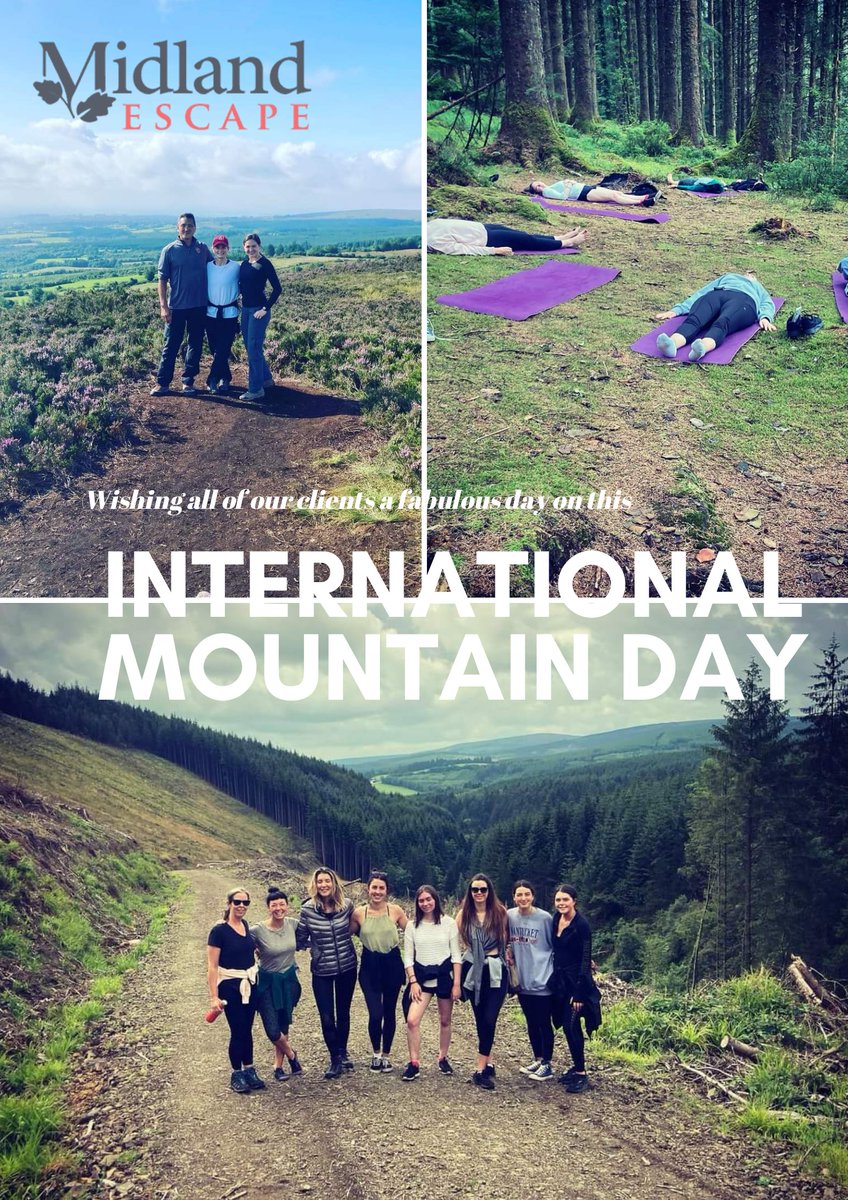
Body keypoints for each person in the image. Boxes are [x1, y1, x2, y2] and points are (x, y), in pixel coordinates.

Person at [295, 867, 357, 1079]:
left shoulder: (347, 905)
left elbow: (357, 927)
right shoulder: (307, 910)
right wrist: (315, 948)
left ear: (334, 883)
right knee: (327, 1016)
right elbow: (299, 939)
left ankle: (342, 1052)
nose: (323, 885)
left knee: (344, 1013)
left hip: (347, 967)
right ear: (315, 885)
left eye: (327, 881)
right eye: (320, 881)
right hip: (322, 970)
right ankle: (334, 1059)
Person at [206, 887, 264, 1094]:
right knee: (238, 1029)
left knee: (247, 1028)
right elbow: (212, 966)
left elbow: (246, 948)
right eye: (237, 902)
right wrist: (214, 997)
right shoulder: (218, 931)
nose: (241, 906)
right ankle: (236, 1073)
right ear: (229, 904)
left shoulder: (245, 925)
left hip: (250, 984)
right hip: (230, 987)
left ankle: (249, 1069)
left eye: (245, 902)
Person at [401, 884, 462, 1080]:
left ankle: (443, 1057)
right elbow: (408, 957)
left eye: (428, 899)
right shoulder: (412, 926)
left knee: (445, 1020)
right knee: (412, 1020)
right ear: (417, 903)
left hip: (444, 977)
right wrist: (413, 981)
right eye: (421, 900)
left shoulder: (449, 923)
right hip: (421, 978)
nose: (425, 903)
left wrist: (457, 984)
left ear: (435, 899)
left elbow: (456, 955)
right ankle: (414, 1062)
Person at [351, 871, 408, 1073]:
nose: (377, 891)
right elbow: (343, 934)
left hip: (392, 964)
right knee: (376, 1013)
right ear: (368, 889)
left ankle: (386, 1056)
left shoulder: (396, 911)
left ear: (387, 890)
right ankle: (375, 1053)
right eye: (374, 887)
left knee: (390, 1011)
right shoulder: (359, 913)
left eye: (381, 888)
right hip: (370, 965)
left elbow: (412, 934)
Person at [457, 873, 509, 1090]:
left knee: (489, 1018)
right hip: (473, 970)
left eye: (483, 889)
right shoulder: (463, 915)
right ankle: (487, 1062)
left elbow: (505, 940)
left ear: (489, 891)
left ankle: (479, 1070)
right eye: (475, 889)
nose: (479, 893)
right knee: (480, 1019)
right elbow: (460, 942)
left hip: (495, 970)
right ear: (470, 892)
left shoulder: (500, 912)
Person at [151, 213, 212, 398]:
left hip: (199, 306)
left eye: (190, 225)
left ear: (195, 227)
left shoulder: (202, 249)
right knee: (171, 344)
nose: (187, 229)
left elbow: (214, 268)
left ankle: (188, 381)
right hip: (176, 307)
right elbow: (162, 280)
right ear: (177, 227)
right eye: (183, 225)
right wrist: (163, 306)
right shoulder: (169, 250)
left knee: (195, 344)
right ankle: (163, 383)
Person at [654, 270, 777, 361]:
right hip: (717, 294)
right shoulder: (728, 277)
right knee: (695, 319)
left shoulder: (757, 287)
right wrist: (678, 309)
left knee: (723, 322)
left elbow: (767, 302)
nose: (749, 274)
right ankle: (672, 344)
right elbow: (701, 292)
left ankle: (702, 347)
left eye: (752, 274)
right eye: (748, 272)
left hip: (744, 300)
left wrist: (765, 317)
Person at [551, 884, 601, 1093]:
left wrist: (579, 993)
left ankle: (581, 1073)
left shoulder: (581, 925)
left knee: (572, 1026)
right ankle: (576, 1068)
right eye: (558, 900)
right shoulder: (555, 919)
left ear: (574, 901)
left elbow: (585, 958)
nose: (561, 903)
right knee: (565, 1025)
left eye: (565, 899)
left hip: (577, 983)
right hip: (560, 982)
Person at [252, 887, 304, 1080]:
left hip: (289, 981)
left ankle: (278, 1067)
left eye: (282, 904)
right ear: (268, 908)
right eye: (274, 905)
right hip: (267, 983)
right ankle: (292, 1055)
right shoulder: (258, 930)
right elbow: (240, 938)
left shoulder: (293, 924)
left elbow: (311, 931)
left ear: (287, 906)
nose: (278, 908)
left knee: (283, 1024)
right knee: (273, 1030)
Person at [507, 880, 555, 1081]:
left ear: (533, 896)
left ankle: (547, 1064)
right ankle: (538, 1058)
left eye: (527, 894)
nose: (523, 898)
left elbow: (555, 944)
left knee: (544, 1022)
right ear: (514, 897)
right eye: (519, 894)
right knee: (531, 1021)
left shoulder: (545, 918)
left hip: (542, 978)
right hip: (522, 980)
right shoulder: (510, 916)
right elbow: (505, 939)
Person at [238, 233, 281, 401]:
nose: (251, 249)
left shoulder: (265, 264)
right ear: (244, 248)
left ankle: (255, 389)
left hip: (258, 311)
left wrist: (265, 308)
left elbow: (277, 289)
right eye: (248, 246)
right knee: (251, 347)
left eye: (254, 246)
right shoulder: (244, 264)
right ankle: (266, 379)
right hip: (245, 310)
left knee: (254, 348)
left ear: (259, 246)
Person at [427, 218, 588, 256]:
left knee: (523, 235)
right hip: (487, 240)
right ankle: (568, 243)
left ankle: (557, 237)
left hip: (482, 228)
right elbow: (463, 249)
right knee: (527, 241)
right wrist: (494, 251)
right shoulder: (434, 242)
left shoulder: (428, 224)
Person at [205, 234, 241, 397]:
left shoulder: (236, 267)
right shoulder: (207, 267)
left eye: (223, 247)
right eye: (217, 247)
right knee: (215, 348)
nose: (220, 250)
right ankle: (225, 378)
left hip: (230, 314)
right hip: (211, 314)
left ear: (228, 248)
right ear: (213, 249)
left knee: (223, 348)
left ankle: (212, 379)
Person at [526, 179, 655, 207]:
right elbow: (562, 197)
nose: (540, 185)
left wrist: (570, 182)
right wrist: (569, 184)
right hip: (583, 194)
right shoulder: (547, 191)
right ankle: (641, 202)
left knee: (617, 193)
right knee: (614, 196)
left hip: (585, 188)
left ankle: (643, 197)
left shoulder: (550, 186)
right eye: (537, 187)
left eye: (538, 183)